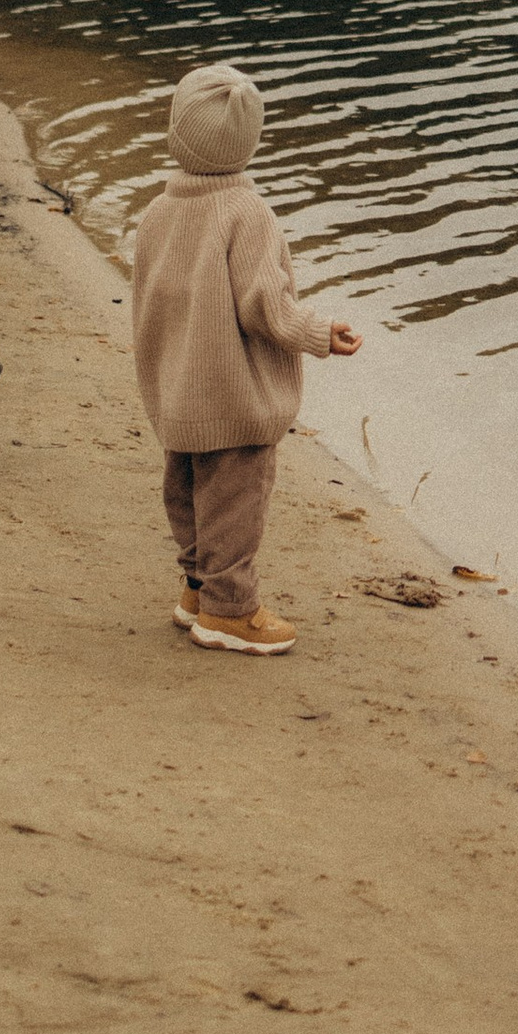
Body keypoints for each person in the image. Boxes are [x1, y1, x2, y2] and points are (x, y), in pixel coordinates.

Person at [129, 62, 360, 655]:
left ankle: (196, 590)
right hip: (233, 395)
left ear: (176, 133)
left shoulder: (158, 212)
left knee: (186, 491)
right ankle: (228, 609)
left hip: (177, 388)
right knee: (234, 502)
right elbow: (265, 304)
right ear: (249, 143)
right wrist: (317, 332)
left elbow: (153, 297)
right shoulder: (245, 212)